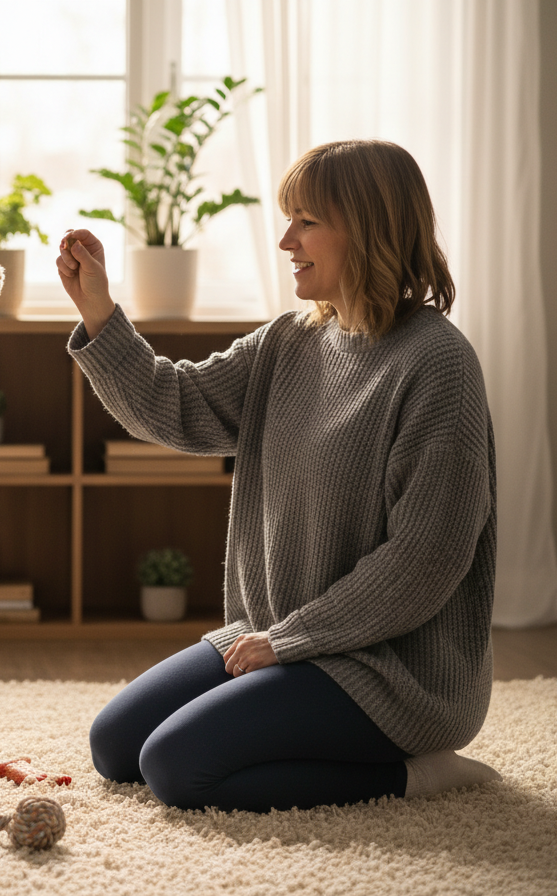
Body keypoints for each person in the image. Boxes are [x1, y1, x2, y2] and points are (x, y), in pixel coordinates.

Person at [56, 139, 502, 813]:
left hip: (390, 669)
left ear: (371, 228)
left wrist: (291, 640)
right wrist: (99, 310)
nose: (285, 240)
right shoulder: (290, 341)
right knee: (116, 747)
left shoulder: (437, 363)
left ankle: (419, 774)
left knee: (177, 769)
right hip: (279, 636)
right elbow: (176, 406)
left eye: (307, 221)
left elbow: (426, 558)